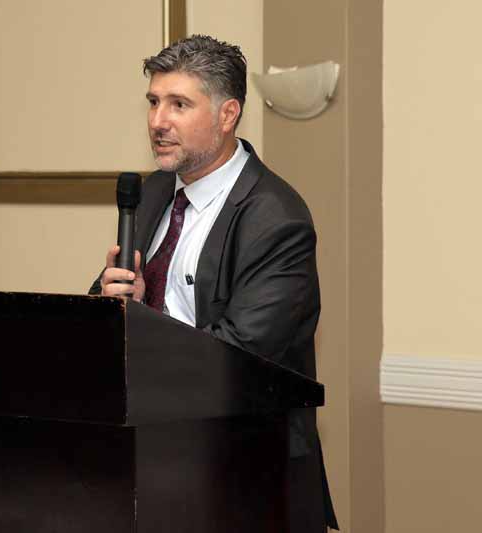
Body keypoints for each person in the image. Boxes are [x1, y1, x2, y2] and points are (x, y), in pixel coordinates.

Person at [89, 35, 339, 532]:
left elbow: (236, 358)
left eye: (179, 104)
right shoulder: (154, 191)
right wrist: (119, 305)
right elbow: (102, 319)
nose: (158, 121)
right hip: (155, 464)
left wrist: (146, 327)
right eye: (154, 102)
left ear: (228, 115)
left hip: (247, 477)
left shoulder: (277, 219)